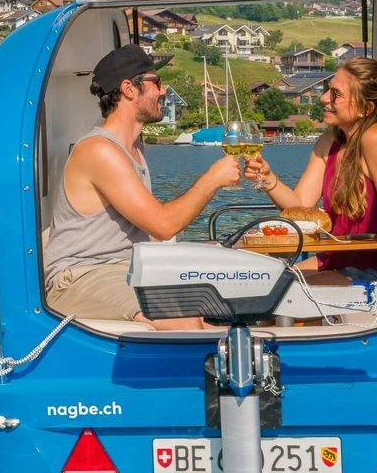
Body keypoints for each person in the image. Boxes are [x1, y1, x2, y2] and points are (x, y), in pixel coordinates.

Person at [45, 44, 241, 328]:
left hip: (127, 271)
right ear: (128, 89)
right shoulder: (100, 151)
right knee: (184, 320)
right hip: (81, 277)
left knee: (230, 294)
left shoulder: (133, 148)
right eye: (156, 83)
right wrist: (213, 178)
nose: (163, 91)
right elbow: (162, 225)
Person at [244, 58, 377, 288]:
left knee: (277, 291)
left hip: (375, 271)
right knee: (261, 282)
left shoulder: (376, 137)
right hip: (335, 263)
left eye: (336, 94)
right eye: (328, 89)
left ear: (365, 109)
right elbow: (300, 206)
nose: (324, 98)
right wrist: (269, 180)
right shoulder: (329, 141)